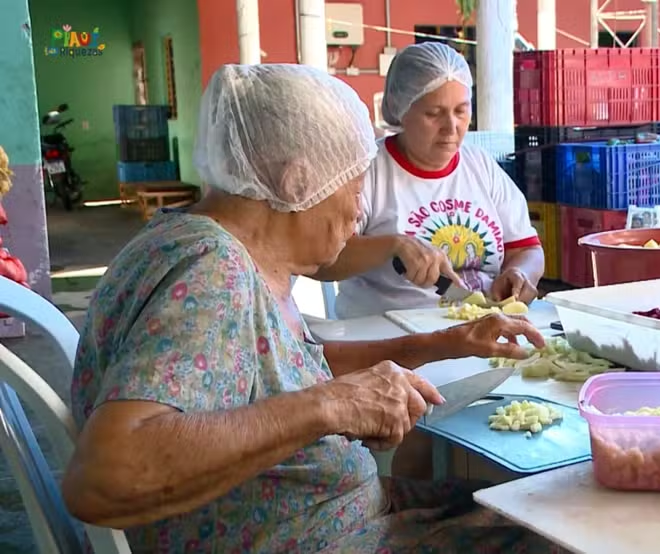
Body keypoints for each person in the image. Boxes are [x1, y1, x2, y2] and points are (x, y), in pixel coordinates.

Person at [62, 64, 566, 554]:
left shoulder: (201, 241)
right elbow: (104, 479)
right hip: (300, 536)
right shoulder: (213, 271)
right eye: (353, 191)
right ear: (297, 182)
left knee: (525, 507)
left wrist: (438, 344)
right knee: (558, 532)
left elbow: (275, 366)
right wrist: (329, 406)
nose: (355, 218)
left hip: (328, 513)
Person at [311, 42, 546, 319]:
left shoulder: (480, 166)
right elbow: (321, 260)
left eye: (461, 111)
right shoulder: (368, 171)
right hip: (387, 336)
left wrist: (519, 273)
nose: (451, 127)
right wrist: (392, 246)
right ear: (401, 110)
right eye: (433, 114)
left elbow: (527, 248)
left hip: (481, 325)